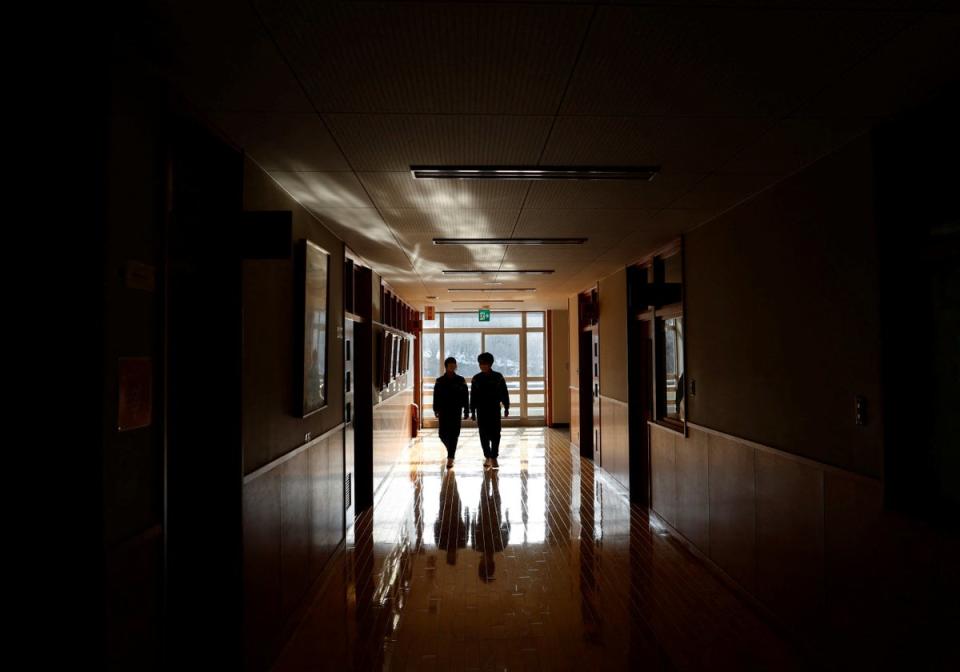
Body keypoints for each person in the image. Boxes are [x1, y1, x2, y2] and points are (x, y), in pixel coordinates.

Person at [470, 352, 510, 470]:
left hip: (494, 409)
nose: (482, 366)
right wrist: (472, 411)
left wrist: (506, 407)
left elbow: (504, 393)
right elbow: (473, 396)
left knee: (496, 434)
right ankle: (487, 456)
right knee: (483, 434)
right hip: (481, 410)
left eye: (485, 364)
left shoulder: (498, 377)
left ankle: (494, 457)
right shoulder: (476, 378)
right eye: (480, 364)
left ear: (490, 364)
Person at [433, 357, 469, 469]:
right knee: (442, 434)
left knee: (454, 434)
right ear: (446, 366)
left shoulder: (461, 380)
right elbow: (436, 396)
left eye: (454, 364)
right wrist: (436, 409)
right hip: (443, 410)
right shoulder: (440, 381)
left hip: (456, 410)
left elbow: (465, 396)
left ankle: (450, 458)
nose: (452, 366)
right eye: (450, 365)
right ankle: (451, 450)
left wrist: (467, 410)